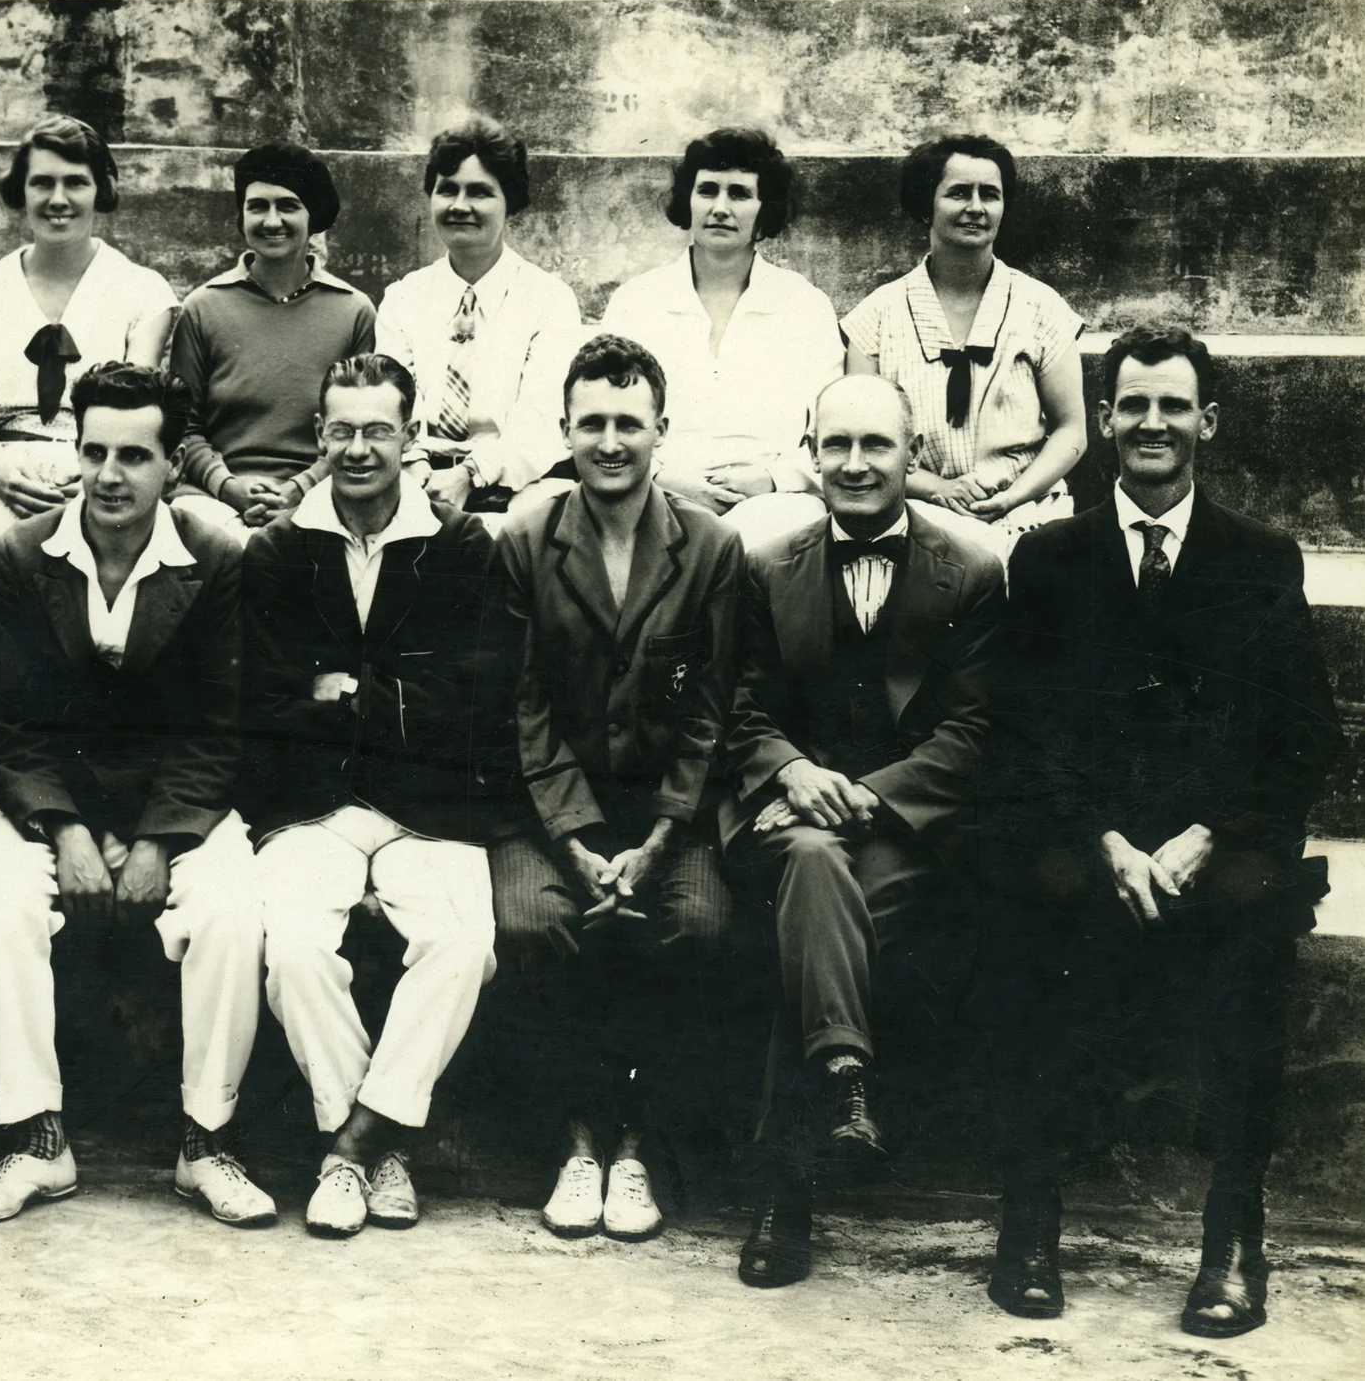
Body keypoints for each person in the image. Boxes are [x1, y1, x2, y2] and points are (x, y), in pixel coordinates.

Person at [986, 325, 1339, 1335]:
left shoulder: (1258, 559)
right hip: (1086, 834)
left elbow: (1304, 736)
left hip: (1212, 841)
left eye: (1172, 405)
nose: (1151, 423)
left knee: (1252, 922)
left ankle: (1233, 1232)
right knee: (1032, 898)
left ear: (1208, 421)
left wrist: (1203, 833)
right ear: (1100, 422)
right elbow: (1018, 730)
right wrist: (1102, 837)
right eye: (1132, 404)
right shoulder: (1048, 557)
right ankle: (1031, 1216)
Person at [0, 363, 271, 1226]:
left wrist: (162, 839)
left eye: (135, 455)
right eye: (93, 450)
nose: (108, 475)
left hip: (181, 807)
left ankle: (207, 1141)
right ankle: (35, 1140)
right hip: (52, 802)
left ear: (173, 465)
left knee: (235, 911)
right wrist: (66, 831)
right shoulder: (21, 555)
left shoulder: (214, 557)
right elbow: (10, 724)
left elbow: (219, 726)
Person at [720, 373, 1003, 1290]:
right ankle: (844, 1082)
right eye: (835, 445)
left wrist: (872, 796)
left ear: (912, 456)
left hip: (902, 833)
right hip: (787, 813)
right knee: (806, 858)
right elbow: (742, 709)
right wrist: (794, 772)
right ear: (810, 457)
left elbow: (972, 728)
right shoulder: (765, 567)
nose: (854, 463)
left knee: (812, 917)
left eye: (876, 445)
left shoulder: (973, 571)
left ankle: (781, 1195)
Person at [243, 354, 514, 1237]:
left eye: (379, 431)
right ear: (319, 438)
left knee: (463, 944)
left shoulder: (461, 546)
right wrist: (390, 698)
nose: (360, 449)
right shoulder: (279, 550)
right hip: (312, 805)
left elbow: (477, 701)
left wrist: (348, 693)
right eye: (343, 431)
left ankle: (348, 1149)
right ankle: (380, 1148)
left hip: (428, 809)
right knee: (292, 951)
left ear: (411, 437)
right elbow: (267, 699)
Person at [488, 335, 744, 1242]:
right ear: (563, 429)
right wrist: (575, 840)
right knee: (530, 923)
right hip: (549, 817)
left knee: (701, 924)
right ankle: (576, 1142)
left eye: (627, 423)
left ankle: (640, 1146)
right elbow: (519, 708)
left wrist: (664, 835)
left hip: (669, 822)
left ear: (660, 431)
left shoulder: (711, 547)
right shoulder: (524, 539)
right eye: (590, 421)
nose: (608, 441)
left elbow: (713, 709)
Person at [842, 135, 1086, 542]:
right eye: (958, 193)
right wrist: (939, 489)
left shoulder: (1042, 308)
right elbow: (863, 439)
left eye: (989, 194)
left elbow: (1071, 430)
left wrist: (1012, 498)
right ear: (925, 206)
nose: (976, 207)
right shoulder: (876, 317)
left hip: (1028, 511)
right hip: (915, 513)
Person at [0, 116, 179, 536]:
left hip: (102, 473)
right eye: (42, 182)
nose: (58, 199)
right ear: (21, 189)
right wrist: (5, 478)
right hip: (2, 474)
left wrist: (92, 478)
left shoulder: (144, 292)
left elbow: (132, 412)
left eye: (76, 182)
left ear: (100, 191)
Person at [601, 128, 839, 515]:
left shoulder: (805, 306)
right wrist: (660, 478)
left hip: (773, 504)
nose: (721, 207)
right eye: (708, 190)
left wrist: (774, 478)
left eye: (740, 193)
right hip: (652, 496)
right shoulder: (637, 301)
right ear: (688, 201)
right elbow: (605, 411)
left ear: (766, 209)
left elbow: (833, 429)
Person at [376, 117, 585, 513]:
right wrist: (416, 467)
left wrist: (468, 474)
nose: (459, 206)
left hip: (519, 487)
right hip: (413, 482)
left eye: (480, 192)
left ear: (511, 204)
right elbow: (390, 409)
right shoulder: (403, 299)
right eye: (447, 190)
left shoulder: (548, 300)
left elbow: (542, 424)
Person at [169, 141, 376, 537]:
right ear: (241, 214)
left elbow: (357, 427)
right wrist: (226, 486)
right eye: (258, 206)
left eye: (288, 205)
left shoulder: (354, 311)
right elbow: (181, 423)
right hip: (212, 498)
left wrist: (299, 489)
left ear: (312, 215)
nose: (272, 220)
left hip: (323, 494)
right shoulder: (203, 306)